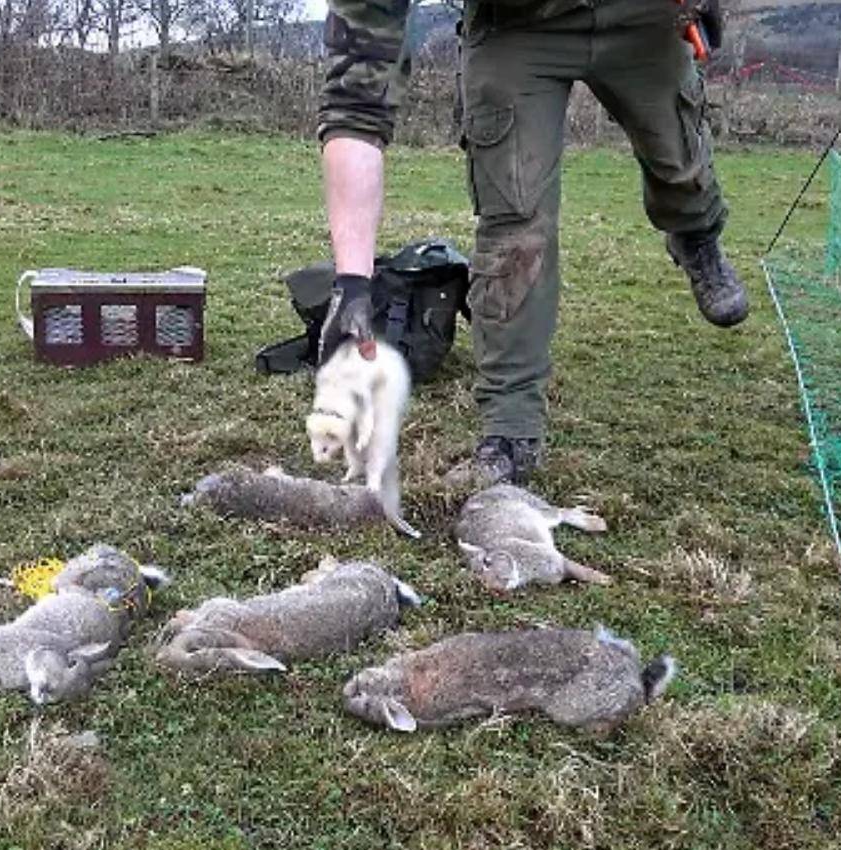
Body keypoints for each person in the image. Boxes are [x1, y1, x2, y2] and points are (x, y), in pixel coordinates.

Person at [315, 0, 747, 487]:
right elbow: (355, 104)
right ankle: (511, 429)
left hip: (644, 11)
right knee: (514, 227)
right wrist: (352, 284)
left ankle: (696, 233)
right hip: (515, 24)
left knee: (679, 165)